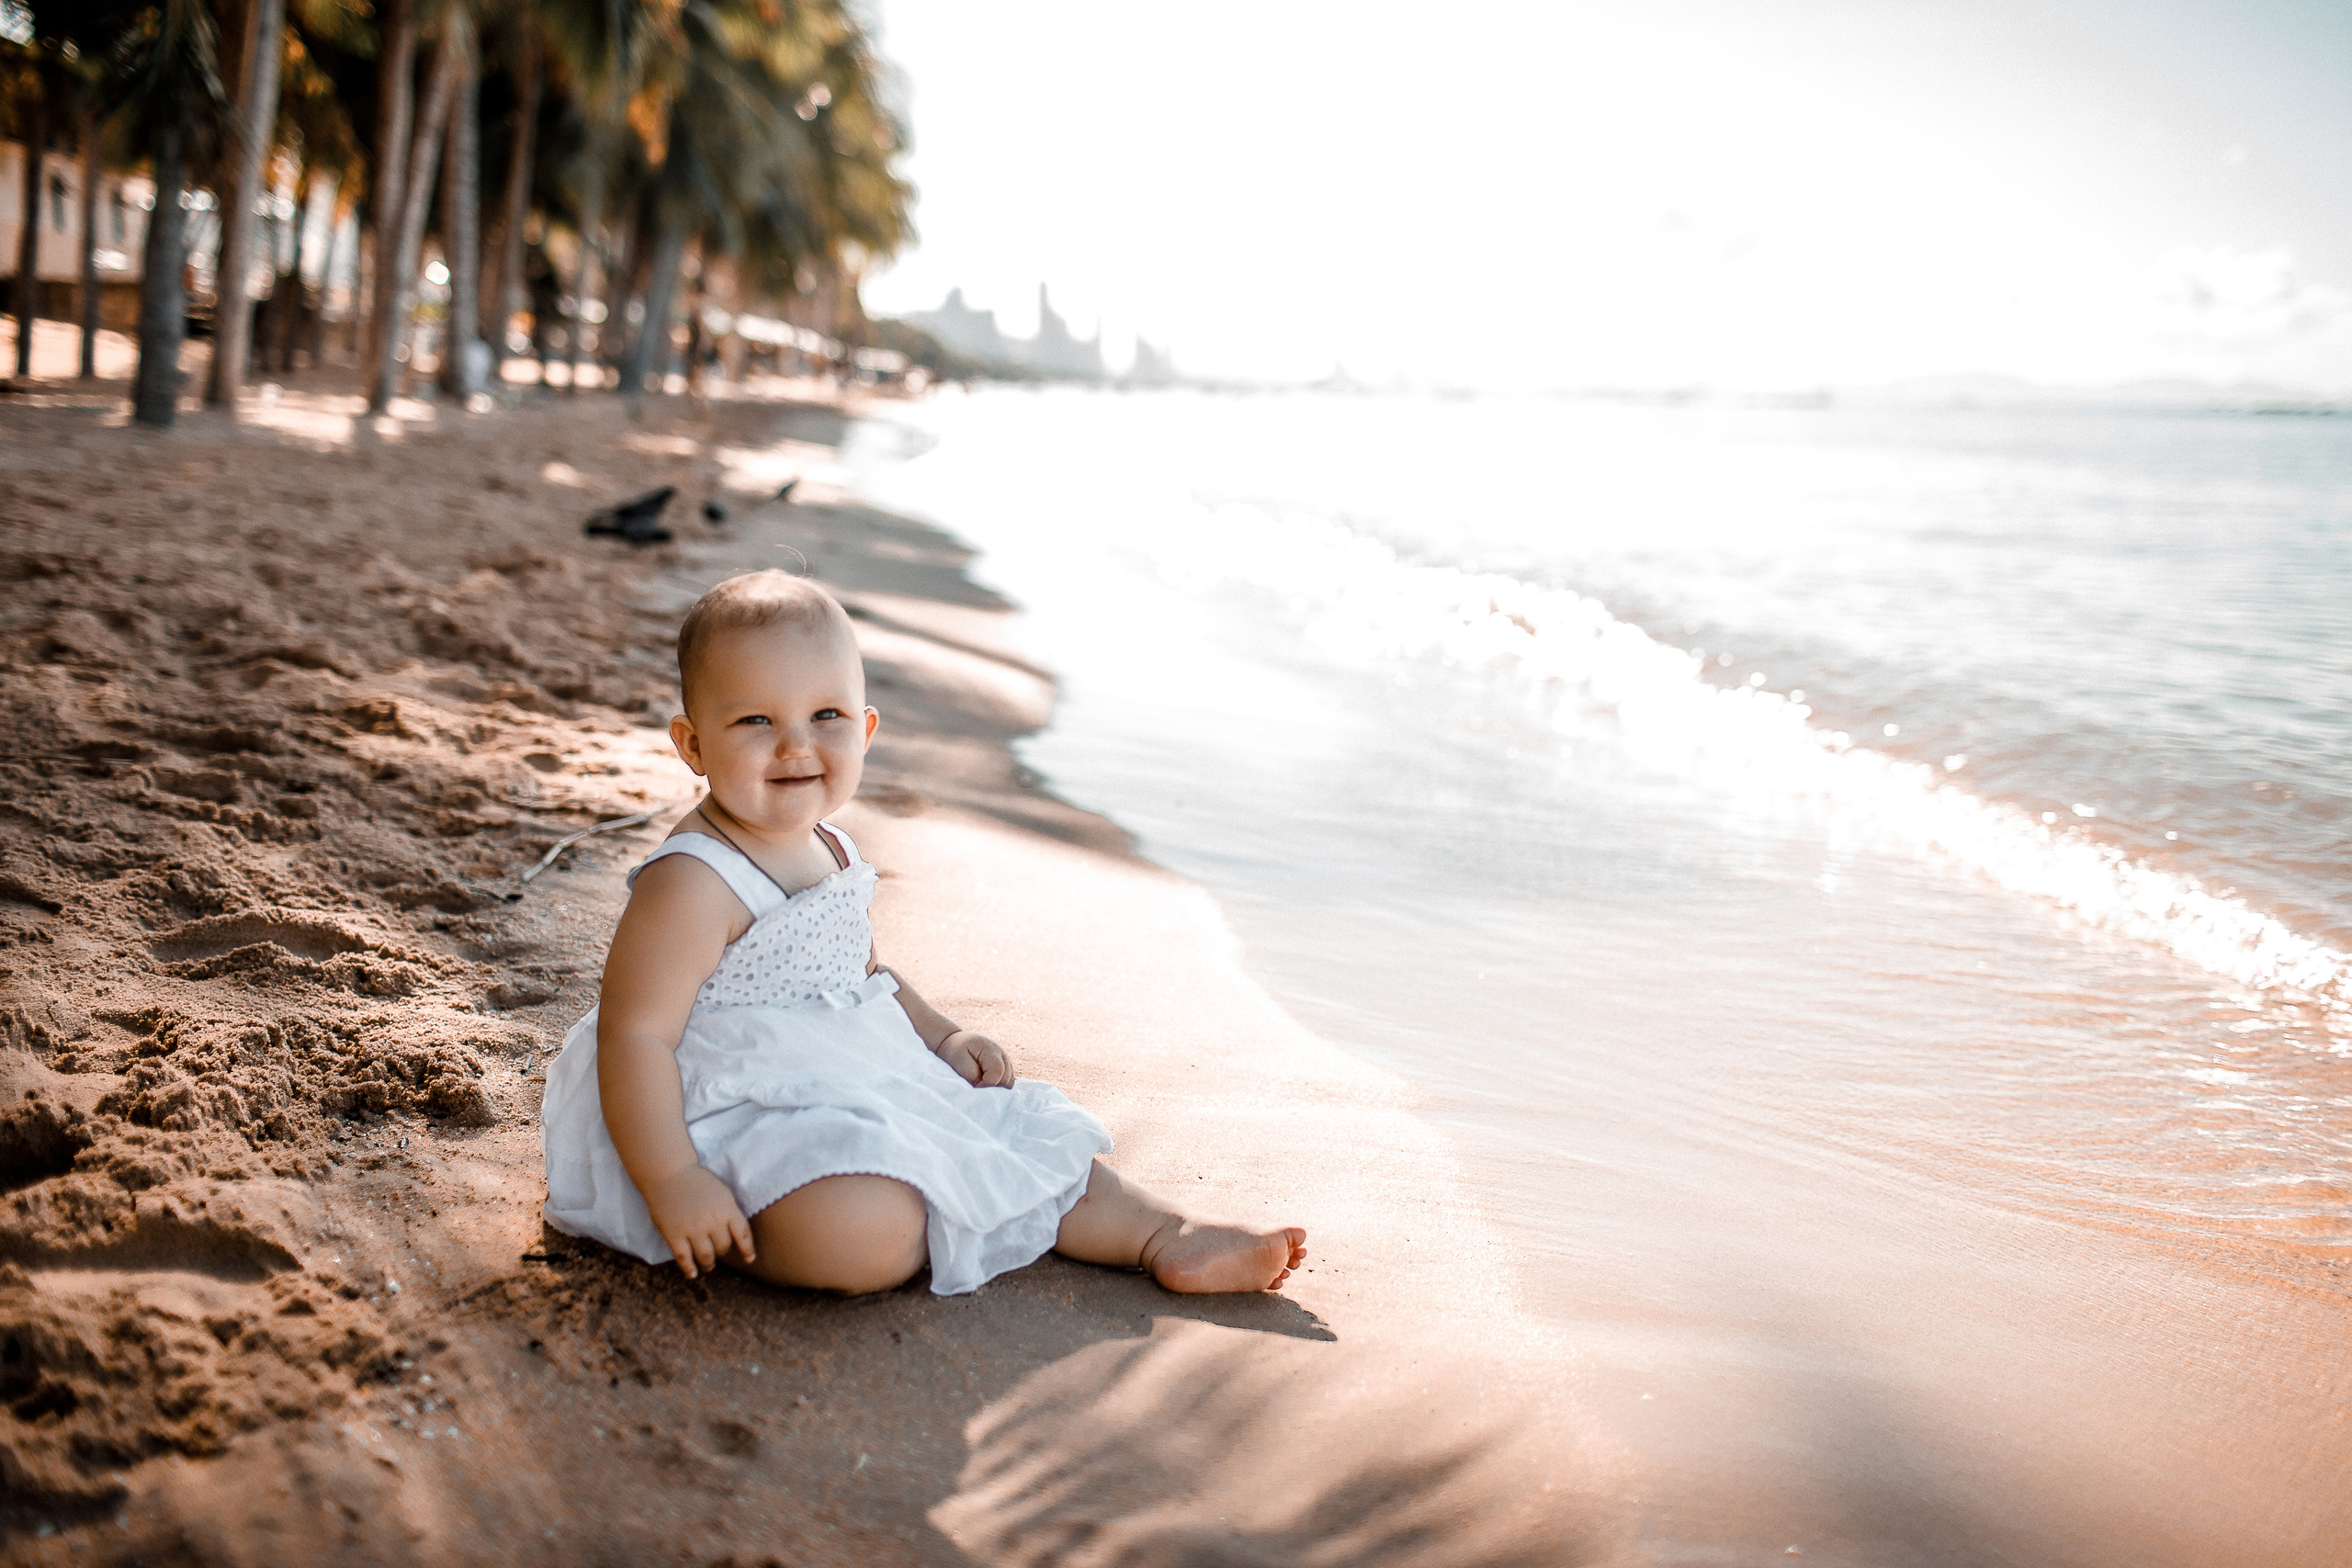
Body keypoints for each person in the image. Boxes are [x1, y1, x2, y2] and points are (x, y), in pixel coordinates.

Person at [541, 570, 1307, 1296]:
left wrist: (941, 1036)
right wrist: (673, 1176)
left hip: (852, 1072)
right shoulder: (694, 880)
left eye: (826, 716)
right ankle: (856, 1224)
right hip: (731, 1109)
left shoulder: (831, 846)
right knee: (860, 1227)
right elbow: (633, 1036)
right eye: (754, 720)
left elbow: (863, 972)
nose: (795, 745)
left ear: (866, 729)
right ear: (693, 744)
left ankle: (1164, 1233)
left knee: (1010, 1128)